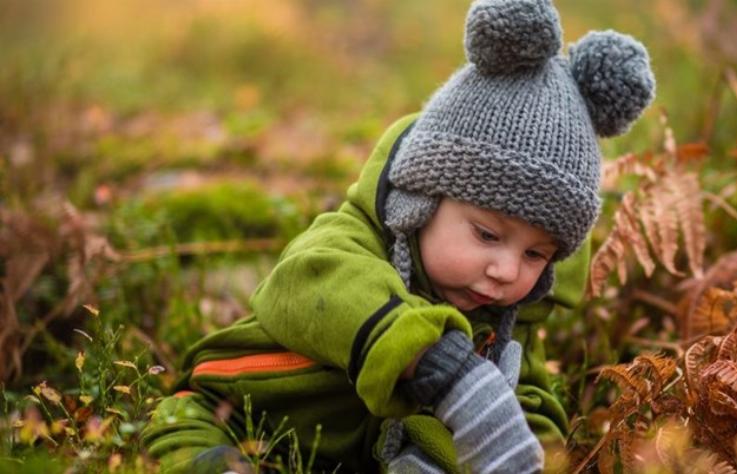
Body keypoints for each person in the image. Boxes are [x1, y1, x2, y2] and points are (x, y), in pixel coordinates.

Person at [141, 0, 654, 472]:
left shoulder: (504, 321)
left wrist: (517, 448)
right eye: (486, 235)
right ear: (421, 201)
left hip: (359, 454)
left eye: (535, 254)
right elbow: (305, 285)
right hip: (237, 408)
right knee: (197, 446)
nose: (506, 270)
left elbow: (530, 405)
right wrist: (436, 362)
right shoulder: (348, 243)